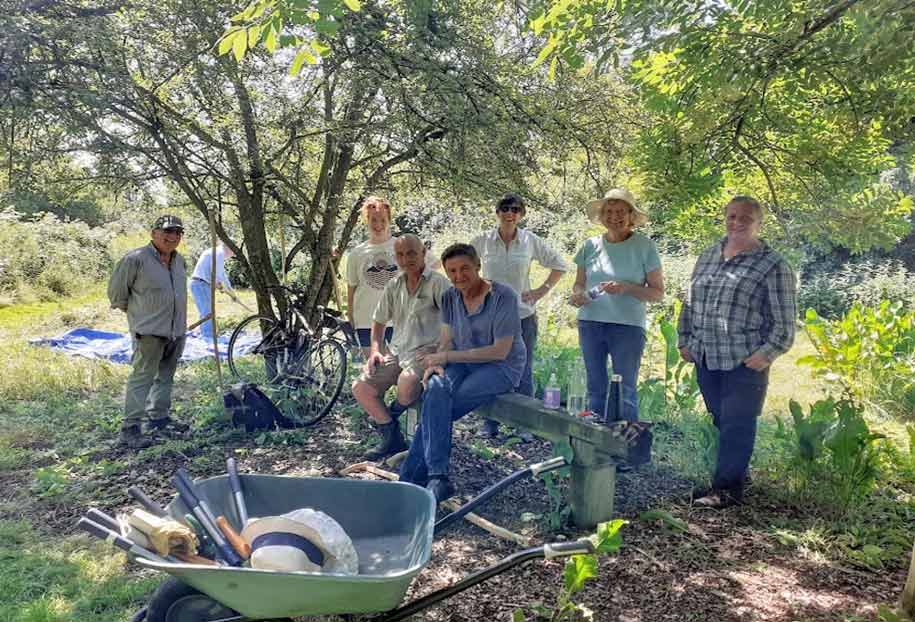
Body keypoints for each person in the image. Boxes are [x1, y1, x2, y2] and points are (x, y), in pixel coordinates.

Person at [678, 195, 796, 508]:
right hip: (705, 354)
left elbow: (784, 323)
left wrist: (765, 355)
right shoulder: (708, 255)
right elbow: (690, 302)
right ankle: (736, 475)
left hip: (744, 359)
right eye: (732, 216)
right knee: (722, 419)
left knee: (738, 422)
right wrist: (684, 340)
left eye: (745, 218)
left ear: (759, 223)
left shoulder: (773, 265)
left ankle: (726, 490)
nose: (737, 223)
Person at [399, 243, 526, 502]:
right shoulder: (450, 297)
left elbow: (500, 351)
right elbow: (446, 340)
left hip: (501, 368)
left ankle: (411, 480)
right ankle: (437, 477)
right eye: (452, 271)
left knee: (439, 408)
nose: (459, 276)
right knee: (435, 387)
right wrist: (438, 364)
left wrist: (445, 356)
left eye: (465, 268)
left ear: (478, 265)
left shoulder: (504, 296)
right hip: (463, 362)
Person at [470, 193, 570, 437]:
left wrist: (540, 291)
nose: (509, 213)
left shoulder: (530, 241)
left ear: (522, 214)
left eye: (515, 209)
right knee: (489, 367)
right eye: (504, 208)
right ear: (497, 212)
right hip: (489, 316)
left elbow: (559, 265)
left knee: (522, 368)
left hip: (522, 314)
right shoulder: (483, 241)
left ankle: (523, 426)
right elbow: (464, 267)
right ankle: (489, 423)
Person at [352, 235, 451, 461]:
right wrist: (376, 350)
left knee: (406, 382)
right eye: (400, 255)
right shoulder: (394, 285)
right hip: (397, 351)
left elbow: (453, 324)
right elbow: (378, 321)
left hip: (426, 352)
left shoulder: (438, 284)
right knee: (361, 388)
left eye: (411, 253)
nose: (406, 259)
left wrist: (438, 350)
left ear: (423, 253)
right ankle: (392, 438)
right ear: (395, 258)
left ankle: (390, 418)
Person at [569, 188, 664, 423]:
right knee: (595, 386)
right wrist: (579, 295)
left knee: (626, 389)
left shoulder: (645, 246)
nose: (614, 217)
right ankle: (596, 443)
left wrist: (627, 288)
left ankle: (627, 447)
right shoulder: (589, 246)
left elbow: (658, 293)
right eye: (609, 211)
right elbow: (578, 284)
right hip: (590, 323)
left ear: (631, 215)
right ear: (601, 215)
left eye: (621, 211)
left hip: (628, 327)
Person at [107, 215, 190, 449]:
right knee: (142, 377)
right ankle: (130, 428)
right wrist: (141, 317)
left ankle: (159, 419)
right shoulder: (135, 259)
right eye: (167, 231)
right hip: (148, 332)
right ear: (153, 233)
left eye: (177, 232)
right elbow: (117, 295)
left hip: (176, 331)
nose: (172, 236)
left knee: (166, 375)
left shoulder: (179, 261)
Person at [346, 196, 398, 355]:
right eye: (373, 220)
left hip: (396, 320)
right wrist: (351, 318)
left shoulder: (401, 246)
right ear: (366, 221)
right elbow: (352, 288)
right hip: (366, 321)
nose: (378, 225)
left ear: (389, 221)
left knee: (396, 371)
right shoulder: (357, 253)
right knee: (373, 372)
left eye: (383, 220)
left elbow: (430, 267)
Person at [190, 243, 235, 340]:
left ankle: (208, 334)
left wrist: (231, 291)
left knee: (208, 311)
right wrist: (219, 285)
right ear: (228, 247)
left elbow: (222, 275)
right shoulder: (218, 253)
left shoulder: (217, 253)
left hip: (202, 284)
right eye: (233, 252)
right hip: (200, 283)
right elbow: (216, 275)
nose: (232, 255)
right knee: (207, 312)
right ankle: (209, 337)